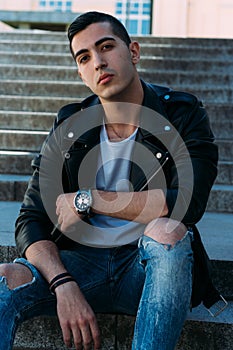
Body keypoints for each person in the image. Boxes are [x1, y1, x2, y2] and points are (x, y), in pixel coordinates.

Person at [0, 11, 225, 350]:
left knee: (168, 231)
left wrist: (89, 198)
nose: (98, 62)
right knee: (5, 277)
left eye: (106, 47)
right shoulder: (70, 125)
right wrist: (63, 285)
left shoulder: (182, 113)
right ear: (80, 72)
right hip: (81, 266)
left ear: (133, 52)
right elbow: (31, 220)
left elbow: (186, 203)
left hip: (146, 268)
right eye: (85, 57)